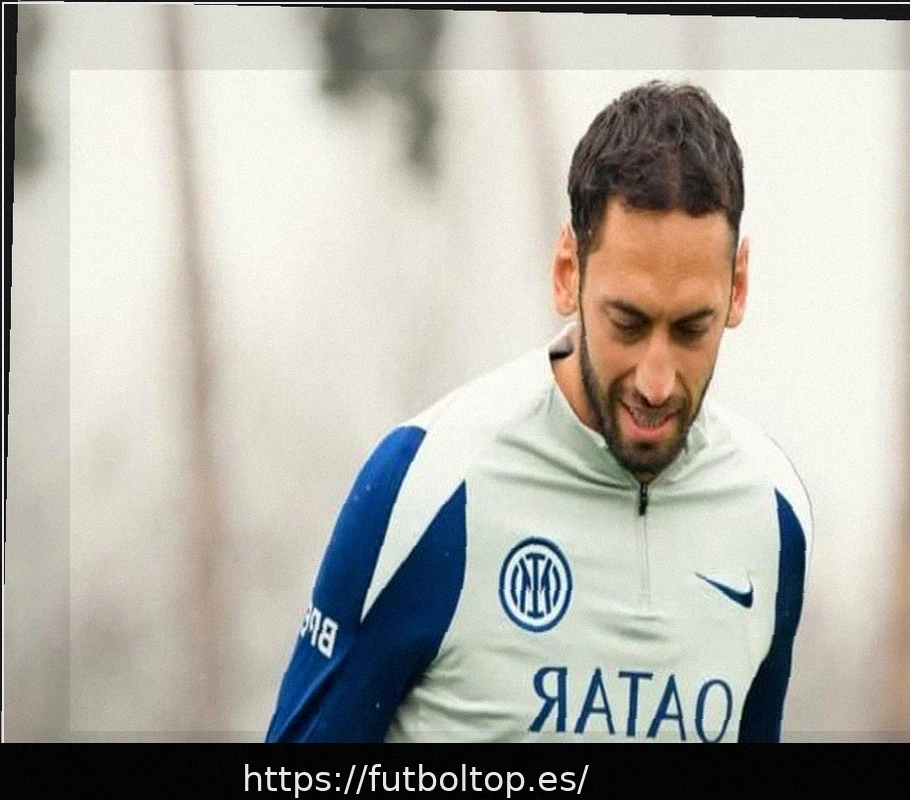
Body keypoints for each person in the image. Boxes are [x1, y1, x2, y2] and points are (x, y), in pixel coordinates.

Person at [266, 80, 812, 743]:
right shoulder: (428, 488)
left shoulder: (771, 516)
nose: (657, 381)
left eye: (691, 328)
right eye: (628, 323)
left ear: (738, 286)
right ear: (567, 272)